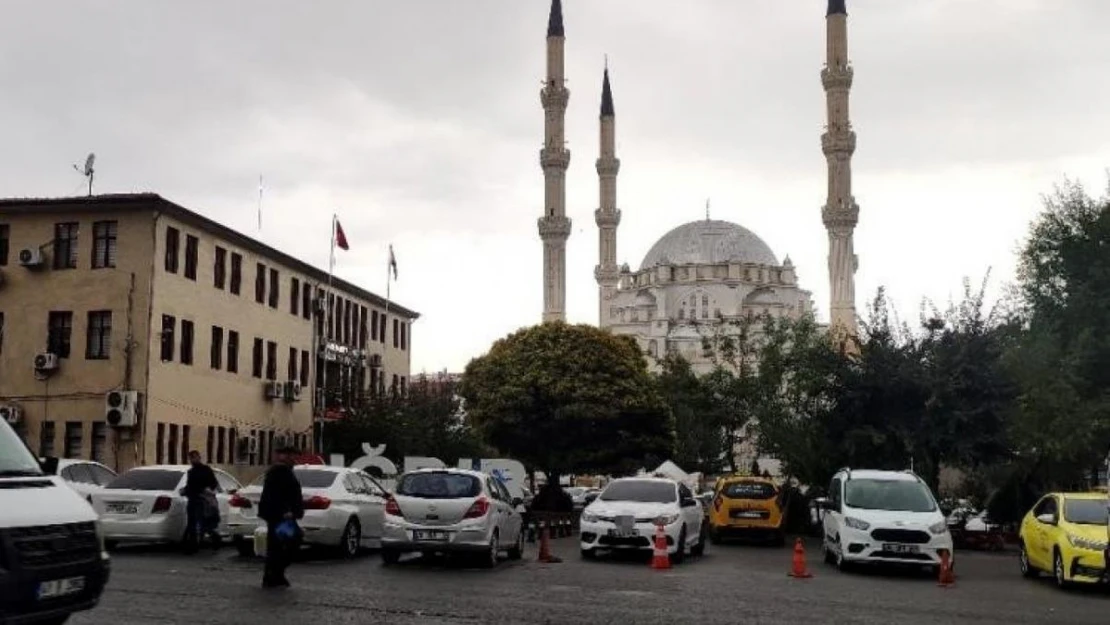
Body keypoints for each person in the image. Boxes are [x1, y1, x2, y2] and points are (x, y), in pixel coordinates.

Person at [257, 445, 304, 588]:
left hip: (280, 515)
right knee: (288, 542)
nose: (294, 459)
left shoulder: (285, 471)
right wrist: (285, 511)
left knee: (278, 545)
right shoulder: (279, 472)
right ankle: (274, 575)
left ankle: (274, 575)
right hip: (280, 515)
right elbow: (276, 495)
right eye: (292, 456)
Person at [181, 450, 220, 554]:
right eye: (191, 458)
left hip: (202, 500)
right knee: (192, 523)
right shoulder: (191, 472)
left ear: (199, 457)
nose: (193, 459)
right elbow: (190, 486)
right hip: (193, 499)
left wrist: (207, 489)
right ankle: (193, 546)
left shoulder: (206, 470)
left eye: (195, 457)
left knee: (202, 522)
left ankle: (213, 538)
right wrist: (185, 491)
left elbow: (213, 483)